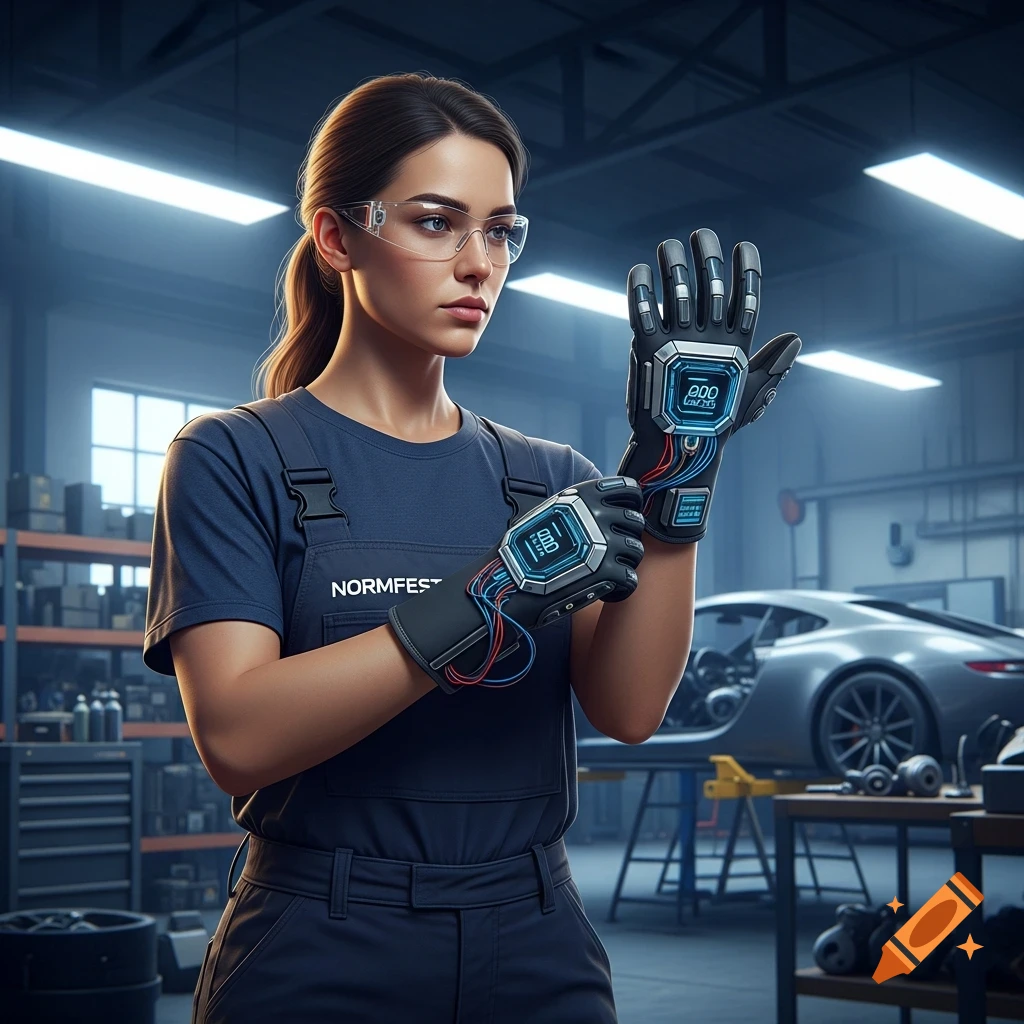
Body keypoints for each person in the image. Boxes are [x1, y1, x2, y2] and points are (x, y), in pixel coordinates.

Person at [143, 71, 798, 1023]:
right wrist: (486, 602)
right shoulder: (235, 456)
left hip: (535, 938)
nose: (477, 263)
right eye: (435, 221)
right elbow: (241, 738)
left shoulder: (547, 478)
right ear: (338, 236)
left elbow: (628, 710)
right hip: (322, 940)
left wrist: (677, 476)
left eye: (499, 230)